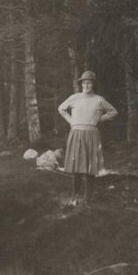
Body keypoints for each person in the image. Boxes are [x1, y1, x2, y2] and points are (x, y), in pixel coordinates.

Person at [58, 71, 118, 205]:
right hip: (76, 133)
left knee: (90, 168)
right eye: (84, 82)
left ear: (93, 85)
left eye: (89, 82)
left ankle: (87, 199)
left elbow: (113, 112)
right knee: (77, 167)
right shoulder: (74, 97)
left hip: (91, 134)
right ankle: (74, 197)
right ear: (81, 84)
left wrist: (98, 119)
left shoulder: (99, 99)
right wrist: (71, 120)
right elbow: (61, 108)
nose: (86, 85)